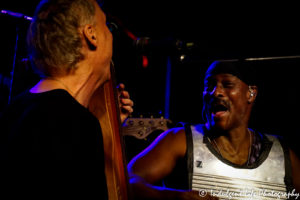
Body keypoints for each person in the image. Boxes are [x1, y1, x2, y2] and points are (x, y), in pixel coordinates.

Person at [0, 0, 133, 199]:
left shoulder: (14, 111)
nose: (111, 35)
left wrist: (108, 122)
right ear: (91, 34)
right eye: (106, 25)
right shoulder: (76, 124)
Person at [127, 60, 300, 200]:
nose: (215, 92)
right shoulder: (181, 141)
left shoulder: (282, 155)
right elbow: (126, 181)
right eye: (209, 85)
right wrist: (172, 196)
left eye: (227, 84)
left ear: (251, 93)